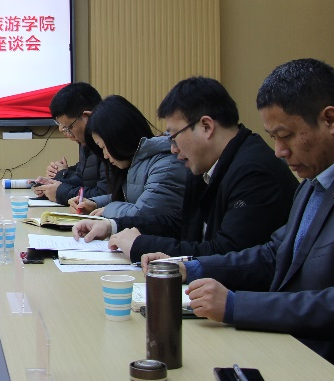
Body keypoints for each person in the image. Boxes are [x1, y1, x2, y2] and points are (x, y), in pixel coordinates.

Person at [144, 59, 334, 381]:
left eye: (286, 136)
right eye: (273, 137)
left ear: (330, 120)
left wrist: (236, 305)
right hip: (298, 354)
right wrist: (190, 268)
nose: (278, 151)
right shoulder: (316, 180)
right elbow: (275, 254)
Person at [76, 77, 297, 261]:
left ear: (206, 126)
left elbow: (227, 254)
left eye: (174, 137)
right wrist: (113, 226)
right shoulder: (206, 165)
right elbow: (180, 222)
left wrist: (140, 245)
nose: (172, 149)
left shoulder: (252, 172)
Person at [71, 95, 184, 222]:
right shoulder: (137, 162)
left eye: (103, 147)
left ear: (119, 138)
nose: (105, 155)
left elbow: (144, 213)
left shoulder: (166, 165)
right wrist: (94, 203)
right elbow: (128, 198)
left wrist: (107, 210)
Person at [30, 83, 108, 205]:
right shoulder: (86, 140)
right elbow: (84, 179)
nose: (66, 134)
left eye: (68, 127)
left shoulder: (107, 142)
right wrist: (53, 183)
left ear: (87, 117)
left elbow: (105, 194)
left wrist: (59, 192)